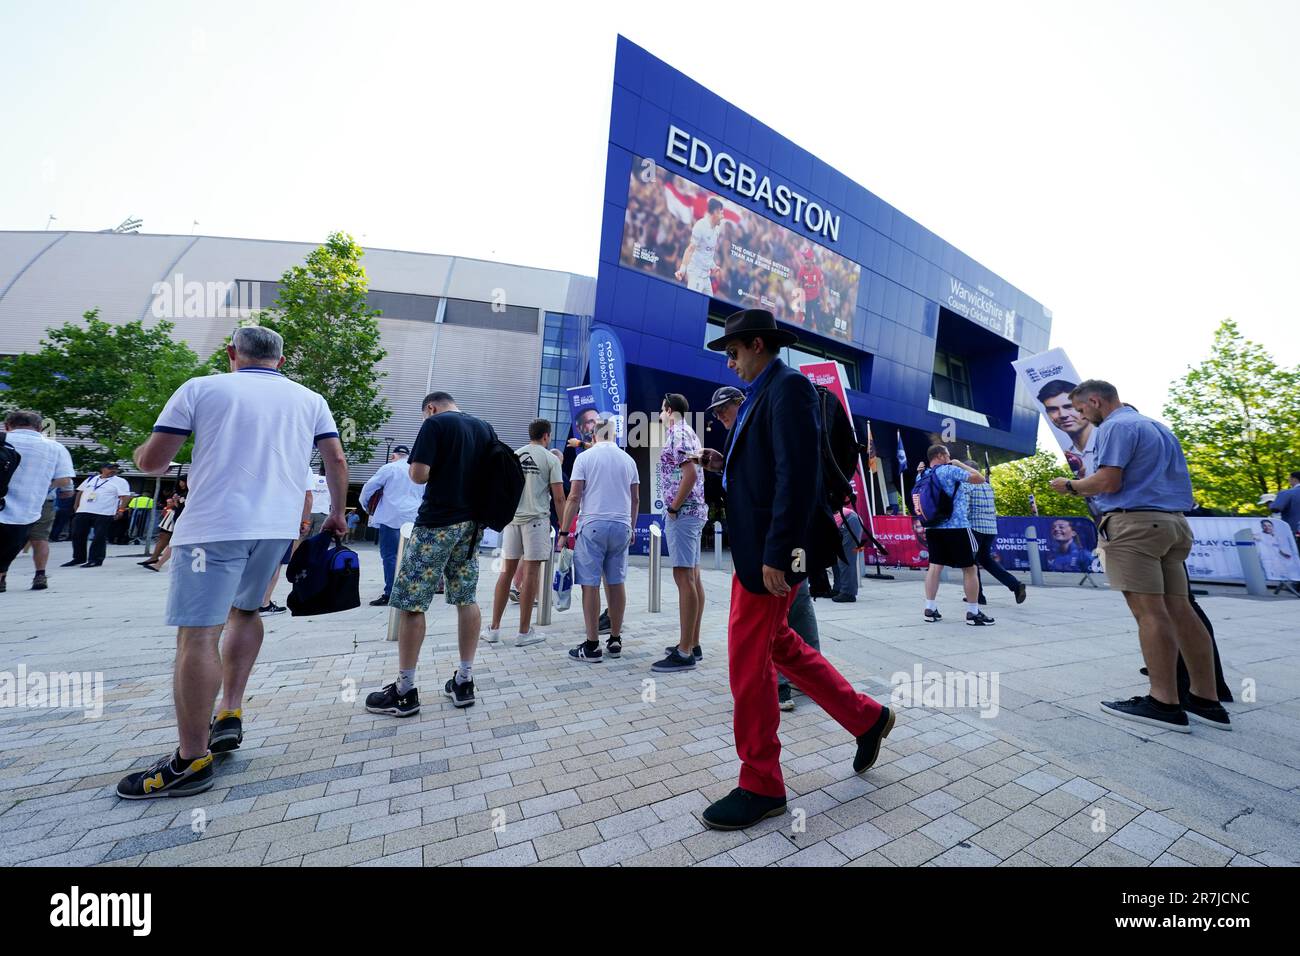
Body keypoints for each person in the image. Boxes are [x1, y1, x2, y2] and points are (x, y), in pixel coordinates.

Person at [115, 325, 347, 799]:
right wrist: (338, 515)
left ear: (231, 354)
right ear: (280, 360)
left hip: (213, 527)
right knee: (247, 611)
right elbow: (336, 460)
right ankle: (230, 709)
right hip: (277, 526)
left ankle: (190, 760)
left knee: (198, 634)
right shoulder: (311, 399)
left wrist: (141, 452)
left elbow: (155, 463)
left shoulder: (202, 388)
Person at [699, 308, 894, 830]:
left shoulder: (787, 389)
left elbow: (798, 475)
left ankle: (761, 783)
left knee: (746, 658)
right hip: (761, 549)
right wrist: (725, 465)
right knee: (779, 645)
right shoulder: (765, 391)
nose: (731, 363)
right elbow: (767, 469)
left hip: (772, 554)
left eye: (734, 352)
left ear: (758, 344)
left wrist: (779, 554)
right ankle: (867, 718)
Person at [1049, 379, 1230, 733]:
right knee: (1181, 610)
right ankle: (1206, 699)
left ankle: (1164, 702)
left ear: (1096, 401)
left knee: (1150, 614)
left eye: (1082, 410)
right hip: (1173, 524)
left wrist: (1070, 486)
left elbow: (1108, 481)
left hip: (1135, 525)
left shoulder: (1115, 427)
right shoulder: (1157, 427)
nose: (1082, 417)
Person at [365, 391, 494, 714]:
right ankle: (464, 680)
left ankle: (404, 690)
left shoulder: (435, 424)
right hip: (471, 526)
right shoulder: (484, 428)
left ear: (431, 408)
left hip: (436, 522)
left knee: (412, 602)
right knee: (467, 598)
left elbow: (419, 474)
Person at [701, 384, 822, 712]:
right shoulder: (741, 429)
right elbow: (752, 477)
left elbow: (778, 483)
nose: (720, 416)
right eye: (716, 412)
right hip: (775, 538)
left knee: (774, 615)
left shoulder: (761, 420)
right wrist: (720, 465)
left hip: (774, 540)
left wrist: (774, 552)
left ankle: (783, 685)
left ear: (740, 402)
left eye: (723, 408)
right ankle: (809, 675)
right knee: (795, 605)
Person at [559, 414, 639, 662]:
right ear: (613, 434)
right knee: (616, 582)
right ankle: (615, 639)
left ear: (594, 435)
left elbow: (573, 497)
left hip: (592, 524)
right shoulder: (628, 460)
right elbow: (635, 499)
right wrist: (632, 528)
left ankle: (592, 645)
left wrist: (563, 532)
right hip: (622, 525)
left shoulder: (584, 458)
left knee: (590, 584)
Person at [487, 418, 565, 647]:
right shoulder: (551, 459)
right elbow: (559, 497)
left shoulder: (515, 455)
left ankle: (494, 628)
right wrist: (564, 528)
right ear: (547, 436)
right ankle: (523, 632)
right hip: (537, 521)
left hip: (512, 521)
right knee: (531, 575)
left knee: (506, 572)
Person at [651, 394, 707, 672]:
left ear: (669, 410)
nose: (660, 414)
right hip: (691, 512)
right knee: (692, 576)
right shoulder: (689, 434)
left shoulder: (679, 434)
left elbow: (691, 475)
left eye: (661, 410)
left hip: (684, 513)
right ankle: (691, 644)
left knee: (683, 576)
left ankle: (685, 651)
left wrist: (673, 507)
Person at [918, 446, 994, 626]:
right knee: (970, 568)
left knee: (934, 567)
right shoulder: (950, 470)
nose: (950, 458)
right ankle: (973, 612)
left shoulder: (922, 475)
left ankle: (930, 608)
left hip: (933, 527)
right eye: (948, 455)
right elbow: (980, 478)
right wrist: (960, 464)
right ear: (940, 456)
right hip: (957, 526)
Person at [0, 410, 74, 593]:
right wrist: (44, 486)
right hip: (29, 510)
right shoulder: (55, 448)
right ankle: (37, 574)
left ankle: (3, 578)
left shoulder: (4, 440)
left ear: (7, 426)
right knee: (38, 540)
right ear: (40, 428)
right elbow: (64, 480)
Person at [359, 443, 422, 606]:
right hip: (414, 518)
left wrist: (366, 506)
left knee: (390, 556)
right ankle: (410, 590)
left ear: (393, 456)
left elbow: (369, 488)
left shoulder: (390, 468)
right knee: (412, 556)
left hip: (391, 517)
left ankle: (391, 592)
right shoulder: (419, 468)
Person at [965, 459, 1027, 605]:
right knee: (986, 560)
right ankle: (1015, 585)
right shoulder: (987, 486)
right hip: (990, 529)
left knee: (971, 563)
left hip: (975, 528)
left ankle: (977, 596)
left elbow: (966, 509)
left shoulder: (968, 485)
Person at [64, 463, 131, 568]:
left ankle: (96, 559)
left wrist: (121, 510)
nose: (113, 470)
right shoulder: (91, 479)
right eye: (110, 468)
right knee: (77, 534)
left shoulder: (120, 481)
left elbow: (125, 496)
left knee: (99, 536)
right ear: (102, 469)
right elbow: (80, 492)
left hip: (104, 512)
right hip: (84, 510)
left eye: (115, 469)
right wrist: (76, 506)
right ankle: (78, 558)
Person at [1036, 379, 1093, 478]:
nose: (1062, 415)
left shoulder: (1110, 439)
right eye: (1053, 409)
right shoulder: (1070, 455)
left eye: (1069, 407)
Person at [674, 196, 729, 293]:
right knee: (692, 303)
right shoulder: (700, 226)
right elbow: (690, 249)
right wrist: (682, 270)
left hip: (706, 276)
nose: (723, 216)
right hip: (695, 274)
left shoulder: (717, 229)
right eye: (721, 213)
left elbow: (707, 251)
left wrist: (713, 266)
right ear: (715, 212)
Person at [141, 478, 187, 572]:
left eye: (183, 481)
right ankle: (157, 562)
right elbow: (178, 507)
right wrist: (175, 502)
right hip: (177, 518)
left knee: (174, 542)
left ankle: (158, 563)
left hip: (185, 519)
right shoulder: (180, 493)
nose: (181, 483)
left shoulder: (191, 492)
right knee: (168, 539)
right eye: (180, 481)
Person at [831, 505, 864, 602]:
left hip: (850, 521)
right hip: (842, 522)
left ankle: (848, 593)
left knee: (846, 558)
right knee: (834, 558)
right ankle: (838, 588)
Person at [1266, 470, 1300, 542]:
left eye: (1289, 478)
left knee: (1295, 551)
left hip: (1295, 531)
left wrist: (1269, 502)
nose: (1288, 480)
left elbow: (1275, 508)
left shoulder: (1287, 493)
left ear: (1294, 479)